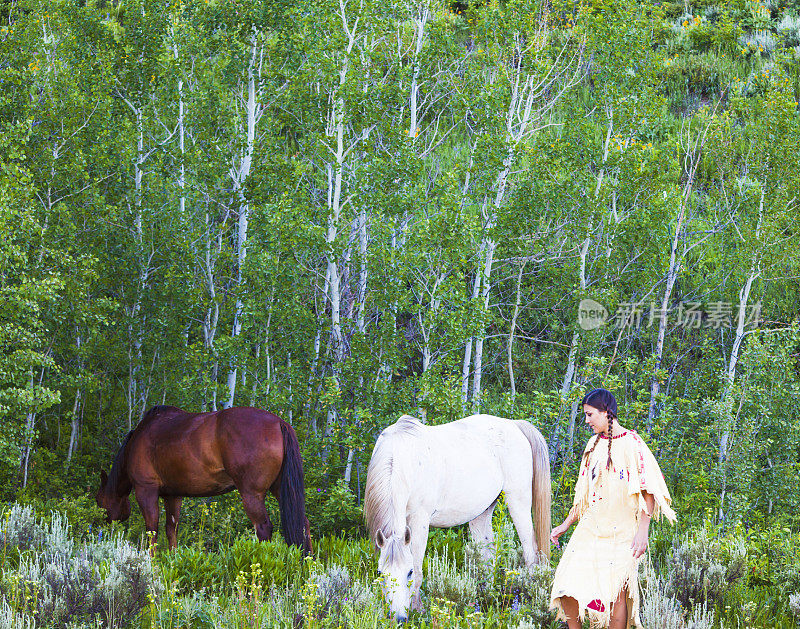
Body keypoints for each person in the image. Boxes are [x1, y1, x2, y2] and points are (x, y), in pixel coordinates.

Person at [549, 388, 676, 628]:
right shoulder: (593, 444)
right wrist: (565, 525)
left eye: (590, 415)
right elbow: (584, 494)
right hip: (591, 526)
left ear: (606, 412)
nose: (586, 421)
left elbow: (648, 491)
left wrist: (643, 531)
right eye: (585, 415)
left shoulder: (632, 443)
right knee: (566, 584)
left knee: (614, 593)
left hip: (623, 531)